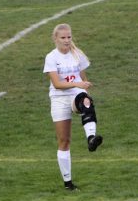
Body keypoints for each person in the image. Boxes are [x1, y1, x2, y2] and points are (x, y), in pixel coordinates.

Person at [43, 23, 103, 191]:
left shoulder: (77, 54)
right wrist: (78, 83)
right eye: (63, 38)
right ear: (55, 39)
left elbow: (83, 77)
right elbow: (56, 84)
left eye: (69, 37)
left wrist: (85, 91)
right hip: (59, 98)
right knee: (64, 141)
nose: (67, 40)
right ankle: (68, 183)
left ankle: (91, 138)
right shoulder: (51, 57)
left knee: (86, 101)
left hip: (75, 94)